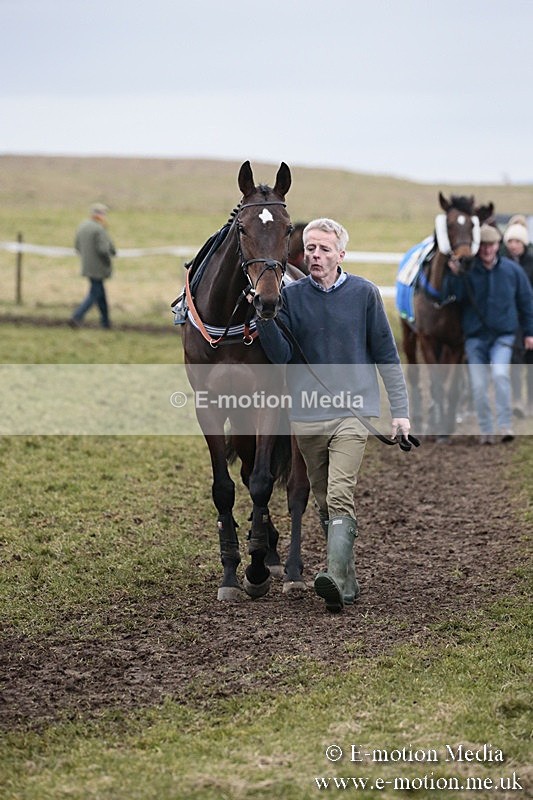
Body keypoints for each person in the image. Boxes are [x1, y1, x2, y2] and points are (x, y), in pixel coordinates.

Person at [256, 218, 410, 613]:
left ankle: (335, 579)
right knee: (324, 501)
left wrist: (401, 413)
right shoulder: (292, 297)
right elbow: (281, 357)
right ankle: (348, 583)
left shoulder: (364, 294)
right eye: (310, 248)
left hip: (353, 415)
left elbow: (387, 355)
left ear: (341, 254)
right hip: (307, 416)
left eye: (324, 249)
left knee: (340, 494)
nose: (315, 255)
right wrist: (265, 317)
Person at [445, 223, 533, 444]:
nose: (487, 250)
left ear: (497, 245)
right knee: (478, 384)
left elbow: (526, 302)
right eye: (483, 245)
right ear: (478, 247)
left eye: (491, 244)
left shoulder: (513, 272)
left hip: (503, 336)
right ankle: (486, 428)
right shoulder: (468, 272)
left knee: (501, 375)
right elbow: (452, 298)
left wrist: (530, 332)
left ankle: (504, 425)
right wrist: (454, 275)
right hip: (475, 338)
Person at [502, 215, 533, 416]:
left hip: (529, 317)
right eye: (511, 241)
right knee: (515, 360)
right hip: (512, 319)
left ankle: (530, 401)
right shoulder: (502, 262)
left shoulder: (531, 263)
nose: (514, 245)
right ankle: (516, 400)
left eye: (518, 242)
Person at [70, 203, 116, 329]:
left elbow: (77, 247)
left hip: (87, 266)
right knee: (95, 293)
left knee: (100, 294)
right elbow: (103, 249)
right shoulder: (99, 229)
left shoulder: (83, 226)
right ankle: (77, 316)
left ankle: (105, 322)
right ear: (100, 214)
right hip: (98, 267)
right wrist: (108, 260)